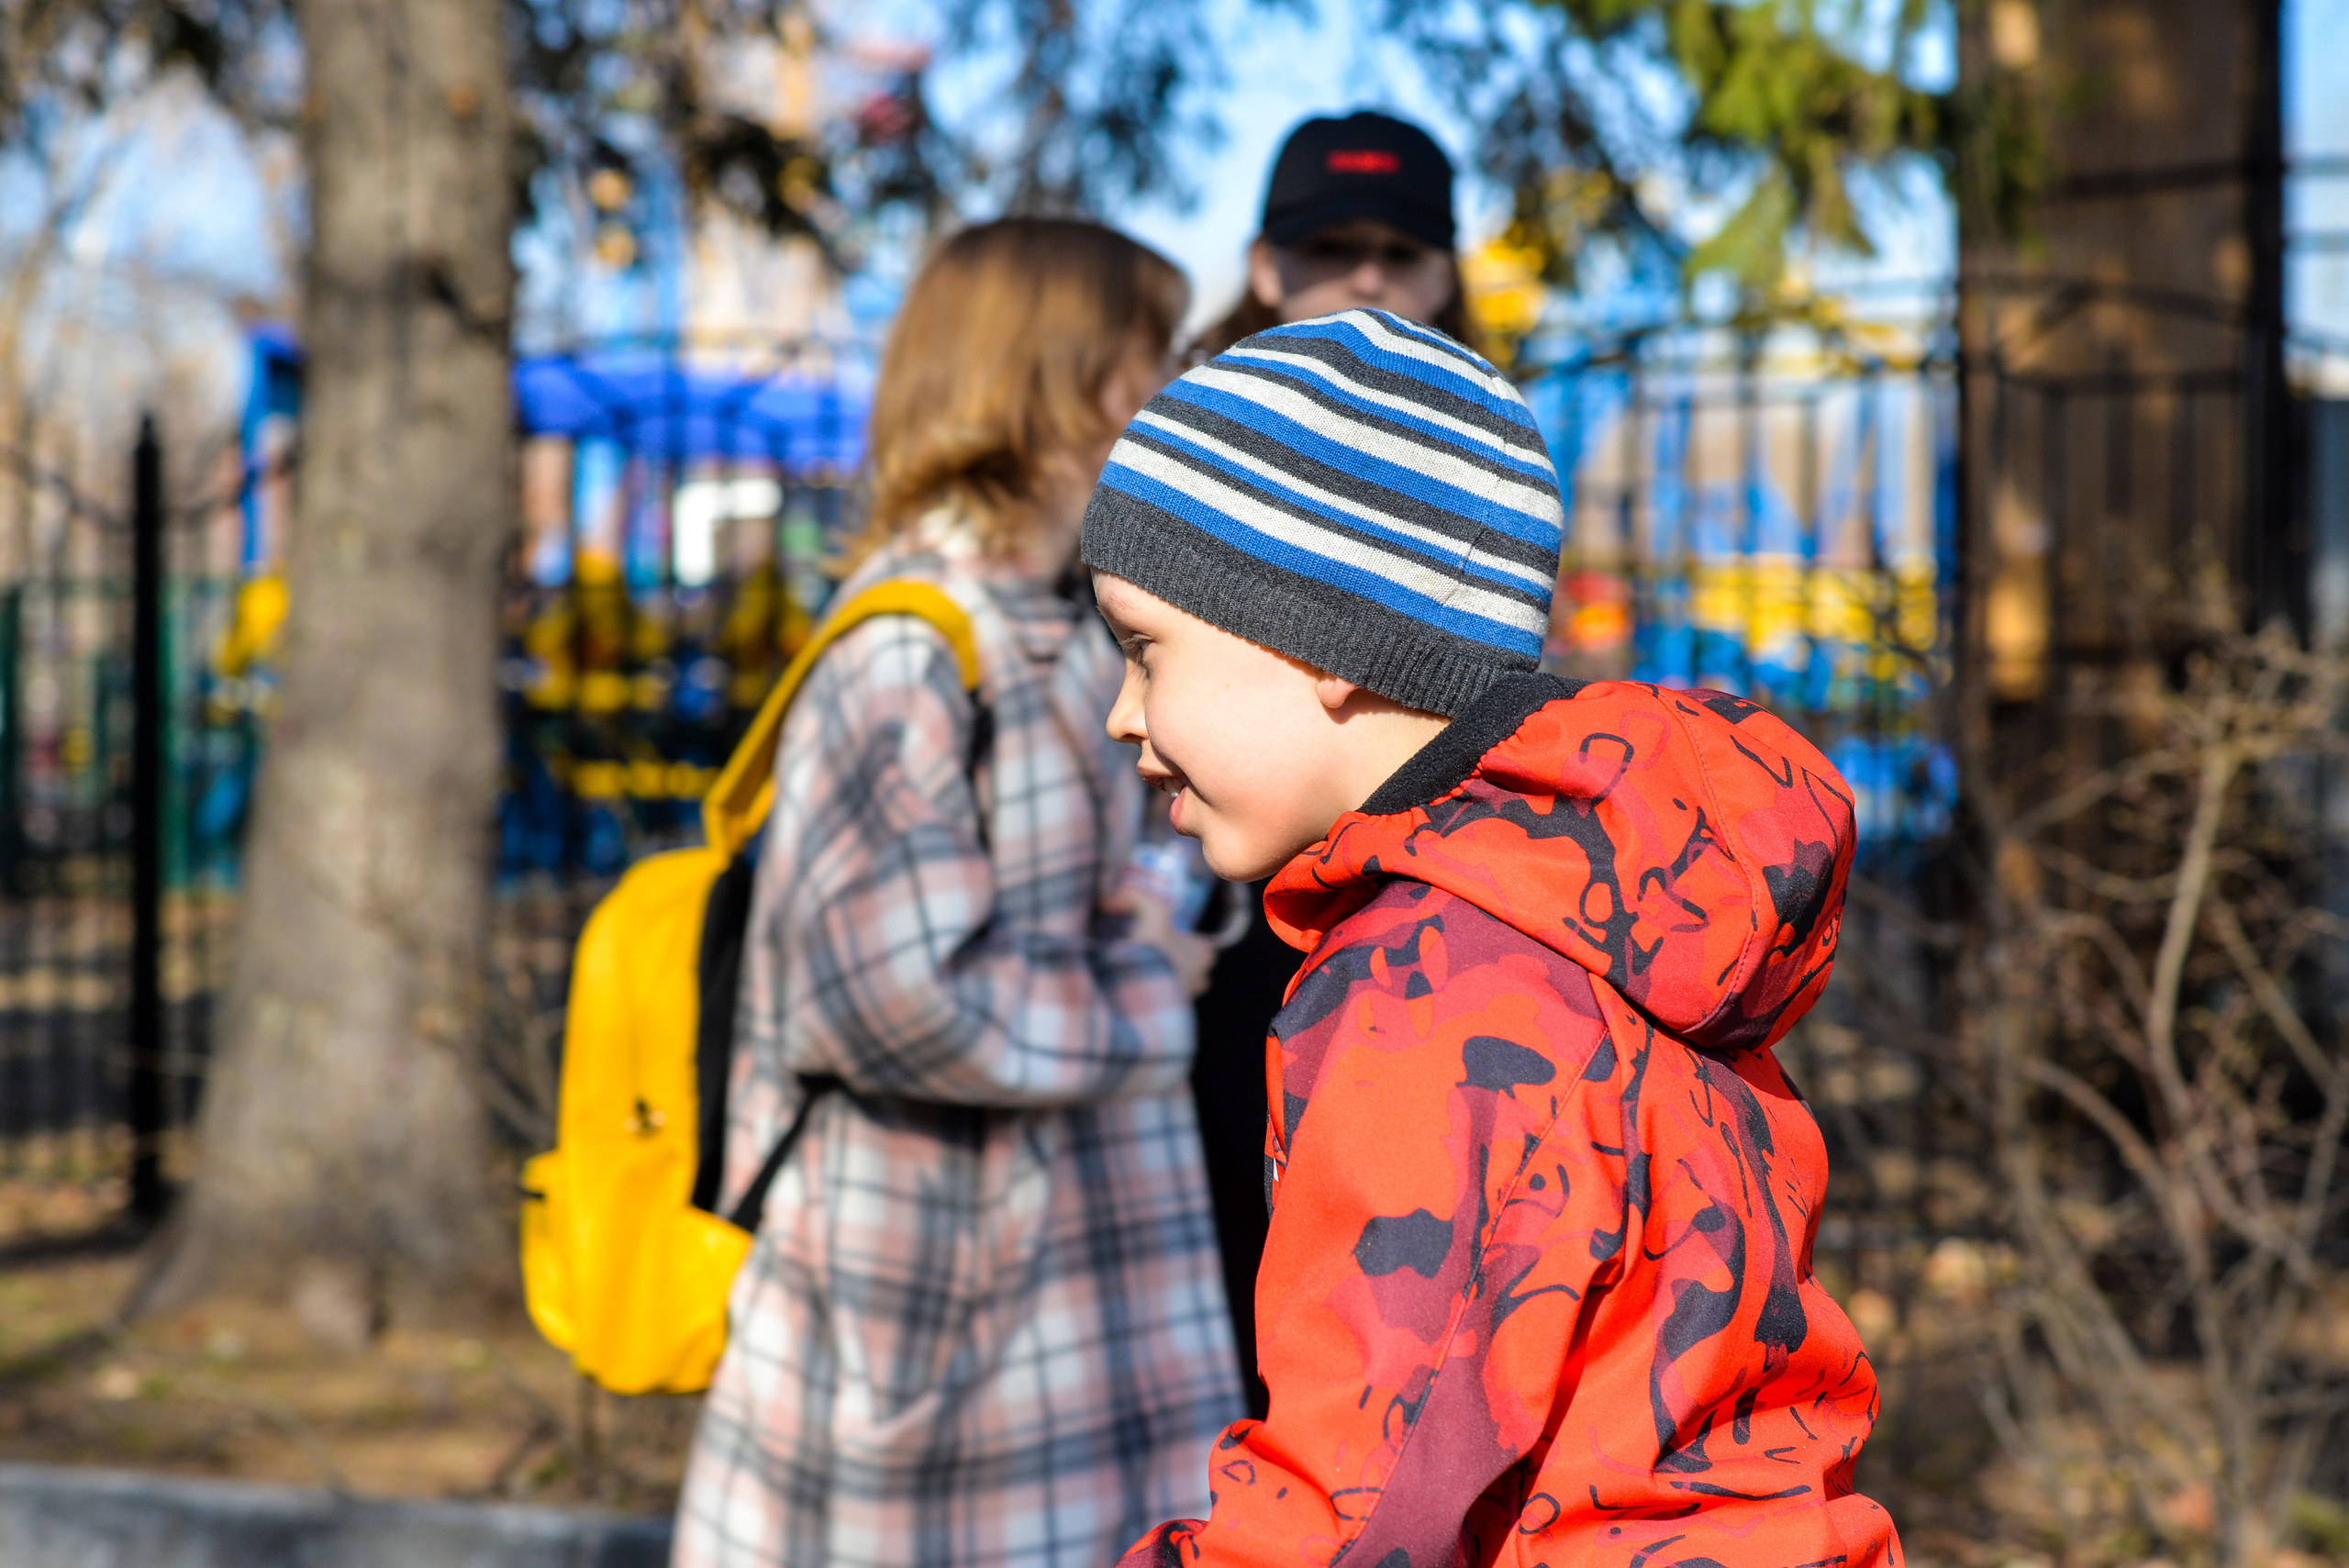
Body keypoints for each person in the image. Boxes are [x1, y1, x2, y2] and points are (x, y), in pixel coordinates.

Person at [1081, 307, 1901, 1567]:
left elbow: (1351, 1509)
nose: (1122, 714)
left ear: (1322, 642)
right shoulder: (1596, 913)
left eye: (1146, 650)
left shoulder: (1432, 993)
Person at [671, 218, 1244, 1568]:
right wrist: (1148, 984)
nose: (1165, 391)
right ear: (1053, 377)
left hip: (1070, 1281)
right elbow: (880, 995)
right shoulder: (912, 647)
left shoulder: (1058, 614)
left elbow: (1114, 867)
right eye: (1142, 357)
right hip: (940, 1301)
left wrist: (1163, 904)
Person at [1186, 107, 1473, 1418]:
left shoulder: (1489, 468)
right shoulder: (1184, 456)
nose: (1367, 276)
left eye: (1401, 251)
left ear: (1449, 274)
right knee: (1247, 1318)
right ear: (1263, 268)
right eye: (1331, 246)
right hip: (1220, 946)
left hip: (1437, 942)